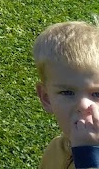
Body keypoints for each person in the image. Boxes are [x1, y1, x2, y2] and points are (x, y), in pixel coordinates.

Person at [35, 21, 99, 168]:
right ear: (46, 98)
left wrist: (88, 153)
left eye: (97, 94)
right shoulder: (56, 150)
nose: (83, 105)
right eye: (67, 92)